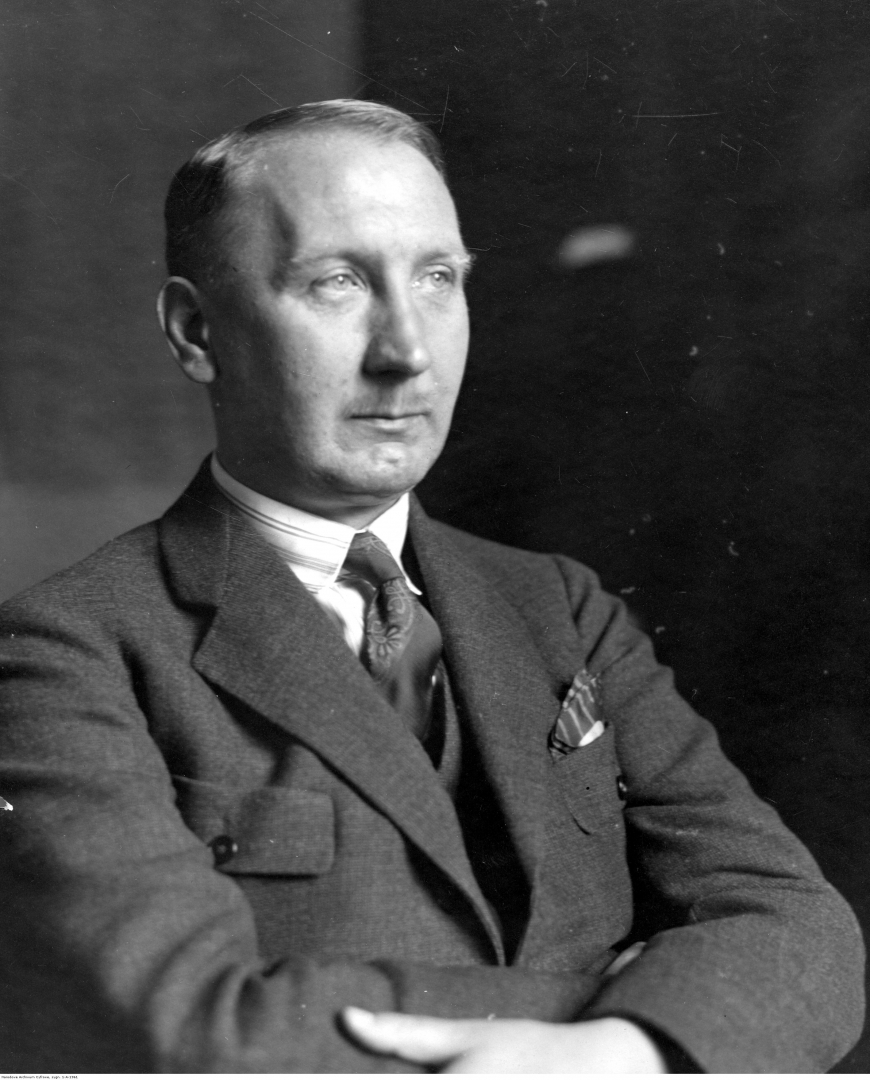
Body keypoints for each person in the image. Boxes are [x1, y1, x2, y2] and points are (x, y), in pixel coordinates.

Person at [0, 100, 862, 1074]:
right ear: (197, 331)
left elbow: (803, 930)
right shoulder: (65, 653)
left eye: (438, 279)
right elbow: (190, 1030)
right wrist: (633, 1016)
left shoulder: (561, 608)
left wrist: (628, 1046)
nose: (406, 350)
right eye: (336, 282)